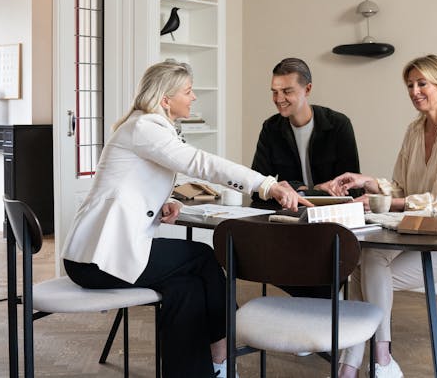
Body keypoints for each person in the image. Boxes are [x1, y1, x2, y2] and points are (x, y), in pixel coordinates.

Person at [61, 60, 308, 378]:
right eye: (188, 91)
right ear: (166, 99)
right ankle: (225, 345)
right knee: (203, 256)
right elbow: (200, 163)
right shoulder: (145, 127)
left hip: (101, 256)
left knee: (186, 287)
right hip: (95, 260)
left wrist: (168, 201)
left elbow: (130, 183)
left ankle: (203, 371)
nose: (193, 97)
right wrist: (265, 184)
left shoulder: (147, 127)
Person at [324, 54, 437, 378]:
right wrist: (368, 181)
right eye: (410, 85)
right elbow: (400, 187)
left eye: (422, 83)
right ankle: (370, 362)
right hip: (414, 233)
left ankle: (361, 362)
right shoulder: (414, 131)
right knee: (365, 260)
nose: (414, 91)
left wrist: (385, 204)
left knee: (367, 273)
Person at [251, 57, 361, 197]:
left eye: (287, 91)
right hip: (290, 209)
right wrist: (312, 189)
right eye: (275, 92)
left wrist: (299, 190)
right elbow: (257, 188)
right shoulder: (271, 128)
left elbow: (353, 189)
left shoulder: (339, 125)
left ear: (307, 89)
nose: (279, 99)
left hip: (331, 209)